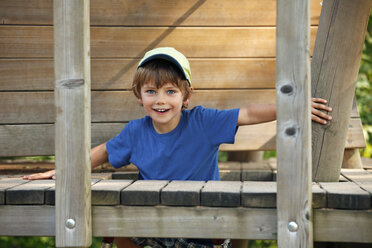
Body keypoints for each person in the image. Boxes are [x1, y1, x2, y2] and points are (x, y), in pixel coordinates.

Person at [23, 47, 332, 248]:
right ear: (139, 95)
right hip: (153, 220)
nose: (160, 100)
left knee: (230, 221)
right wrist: (63, 172)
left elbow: (248, 113)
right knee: (114, 227)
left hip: (201, 220)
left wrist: (293, 107)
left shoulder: (202, 122)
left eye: (171, 91)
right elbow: (104, 151)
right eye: (151, 91)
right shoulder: (135, 132)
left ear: (186, 96)